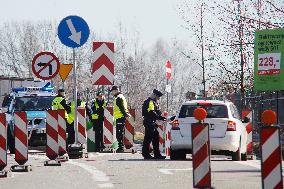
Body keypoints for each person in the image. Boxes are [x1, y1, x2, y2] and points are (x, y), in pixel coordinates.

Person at [142, 89, 166, 159]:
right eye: (158, 97)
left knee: (156, 138)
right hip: (149, 122)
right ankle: (146, 154)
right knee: (148, 139)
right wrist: (160, 117)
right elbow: (151, 112)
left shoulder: (153, 102)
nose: (159, 99)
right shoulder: (150, 102)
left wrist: (160, 116)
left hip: (152, 123)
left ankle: (157, 154)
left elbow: (156, 111)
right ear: (155, 95)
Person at [111, 86, 130, 153]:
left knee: (119, 133)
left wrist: (125, 114)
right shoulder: (122, 97)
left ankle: (120, 147)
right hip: (121, 117)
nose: (112, 93)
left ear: (115, 91)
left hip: (120, 117)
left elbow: (121, 108)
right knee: (121, 132)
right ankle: (121, 147)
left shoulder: (118, 98)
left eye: (112, 91)